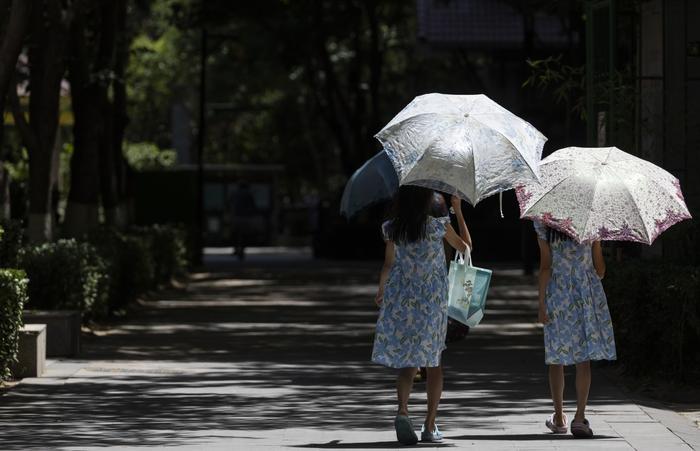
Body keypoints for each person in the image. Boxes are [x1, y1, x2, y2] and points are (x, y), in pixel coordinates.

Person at [373, 186, 470, 445]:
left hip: (402, 298)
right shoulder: (437, 226)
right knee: (434, 363)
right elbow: (465, 248)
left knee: (409, 362)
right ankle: (429, 425)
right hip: (432, 300)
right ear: (429, 200)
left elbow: (388, 264)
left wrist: (381, 289)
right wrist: (458, 212)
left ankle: (403, 410)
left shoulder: (394, 227)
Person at [534, 221, 616, 438]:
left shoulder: (545, 225)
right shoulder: (592, 225)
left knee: (556, 358)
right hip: (586, 295)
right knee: (584, 358)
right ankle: (579, 418)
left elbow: (545, 267)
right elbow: (600, 271)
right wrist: (596, 241)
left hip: (558, 293)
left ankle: (560, 417)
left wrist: (541, 303)